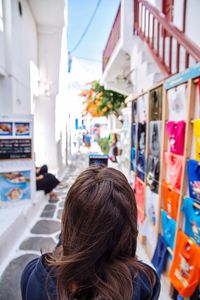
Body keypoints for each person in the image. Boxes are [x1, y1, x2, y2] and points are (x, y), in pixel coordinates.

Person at [21, 165, 160, 300]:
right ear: (129, 227)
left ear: (64, 218)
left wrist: (71, 230)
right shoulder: (144, 284)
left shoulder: (35, 276)